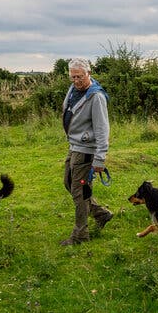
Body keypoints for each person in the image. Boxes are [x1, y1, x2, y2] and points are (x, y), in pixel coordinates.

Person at [60, 58, 113, 245]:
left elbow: (102, 130)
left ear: (88, 73)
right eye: (73, 77)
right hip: (74, 146)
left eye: (80, 77)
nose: (76, 81)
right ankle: (101, 213)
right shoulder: (74, 89)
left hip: (86, 150)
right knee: (69, 183)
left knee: (80, 192)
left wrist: (99, 159)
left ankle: (80, 235)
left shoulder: (96, 97)